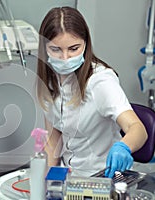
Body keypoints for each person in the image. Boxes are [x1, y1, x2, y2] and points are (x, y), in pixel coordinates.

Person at [36, 6, 148, 178]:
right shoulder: (49, 81)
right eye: (56, 50)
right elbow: (54, 138)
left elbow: (138, 129)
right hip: (69, 177)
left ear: (86, 44)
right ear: (45, 48)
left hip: (103, 176)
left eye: (73, 49)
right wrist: (46, 181)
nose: (65, 58)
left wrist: (123, 147)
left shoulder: (100, 82)